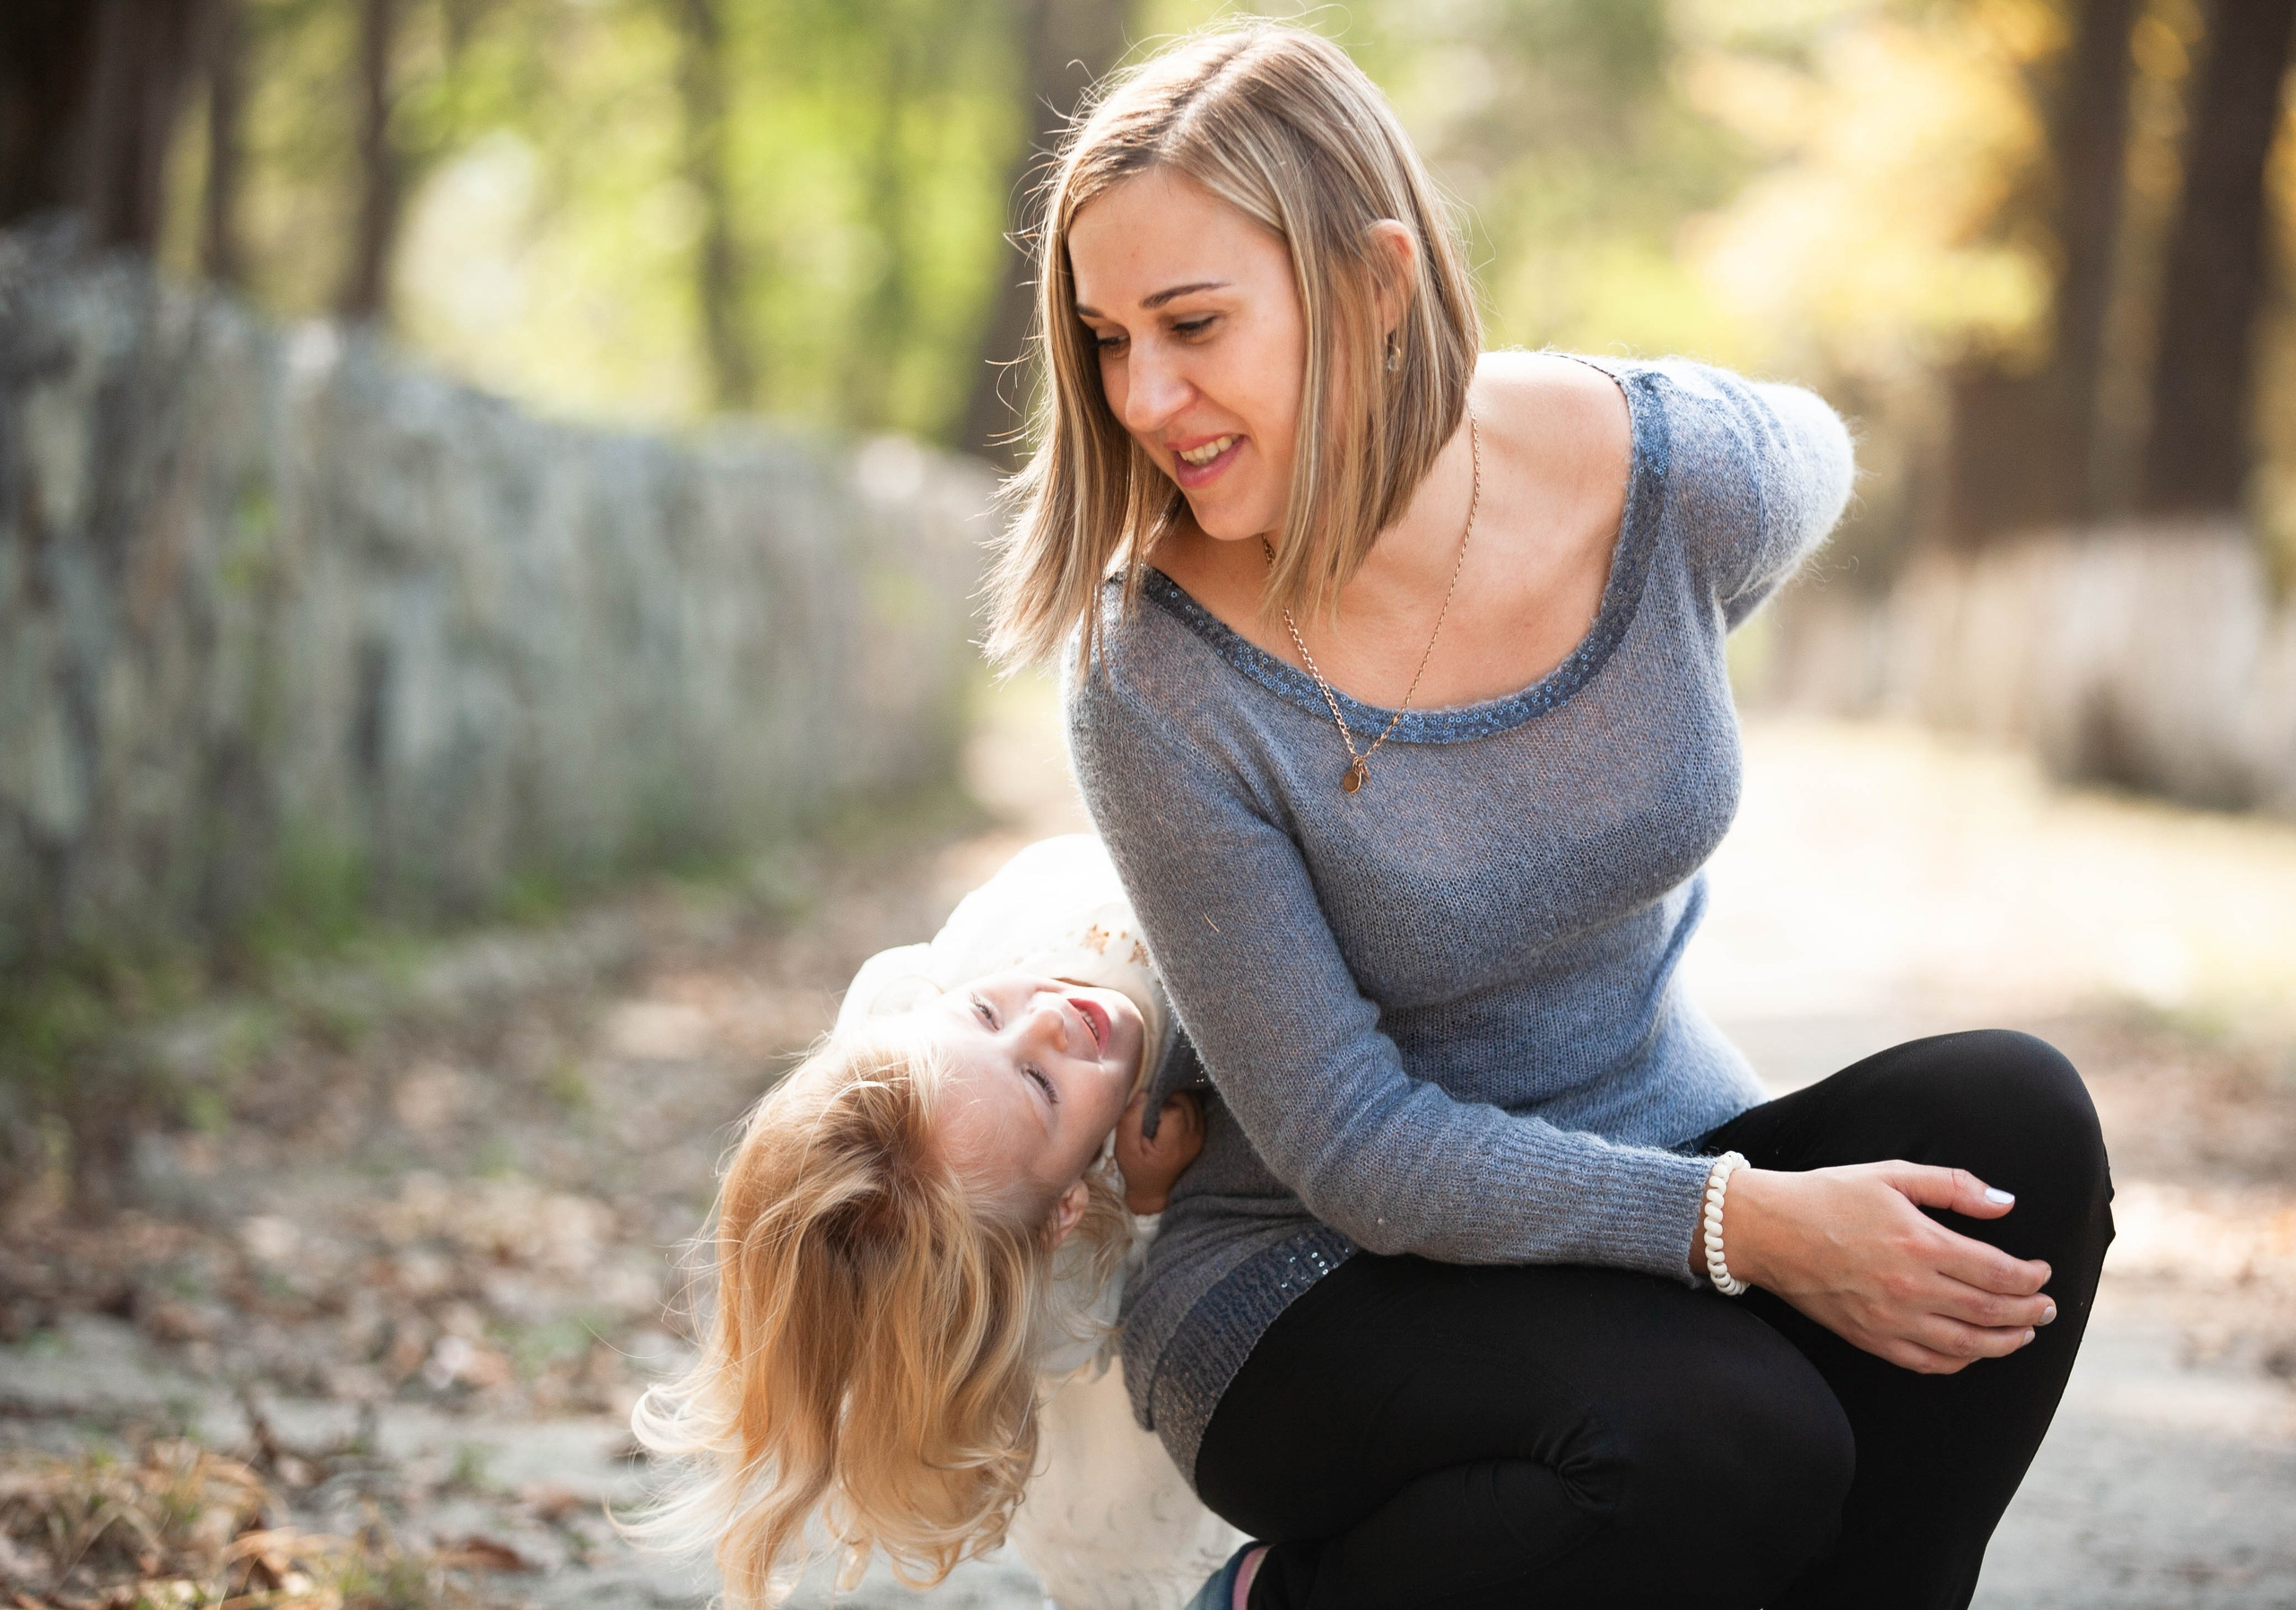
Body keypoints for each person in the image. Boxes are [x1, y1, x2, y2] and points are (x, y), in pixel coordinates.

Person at [987, 22, 2115, 1610]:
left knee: (2015, 1129)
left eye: (1193, 322)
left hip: (1657, 1167)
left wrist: (1641, 595)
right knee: (1734, 1433)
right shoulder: (1154, 672)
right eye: (1108, 339)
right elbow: (1351, 1141)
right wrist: (1743, 1227)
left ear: (1375, 283)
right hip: (1318, 1279)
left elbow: (1811, 456)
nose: (1146, 395)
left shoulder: (1658, 474)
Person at [625, 835, 1238, 1610]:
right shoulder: (1067, 1277)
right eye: (1042, 1084)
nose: (1046, 1018)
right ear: (1066, 1210)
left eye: (985, 1012)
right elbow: (1149, 1297)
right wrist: (1149, 1199)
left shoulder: (991, 953)